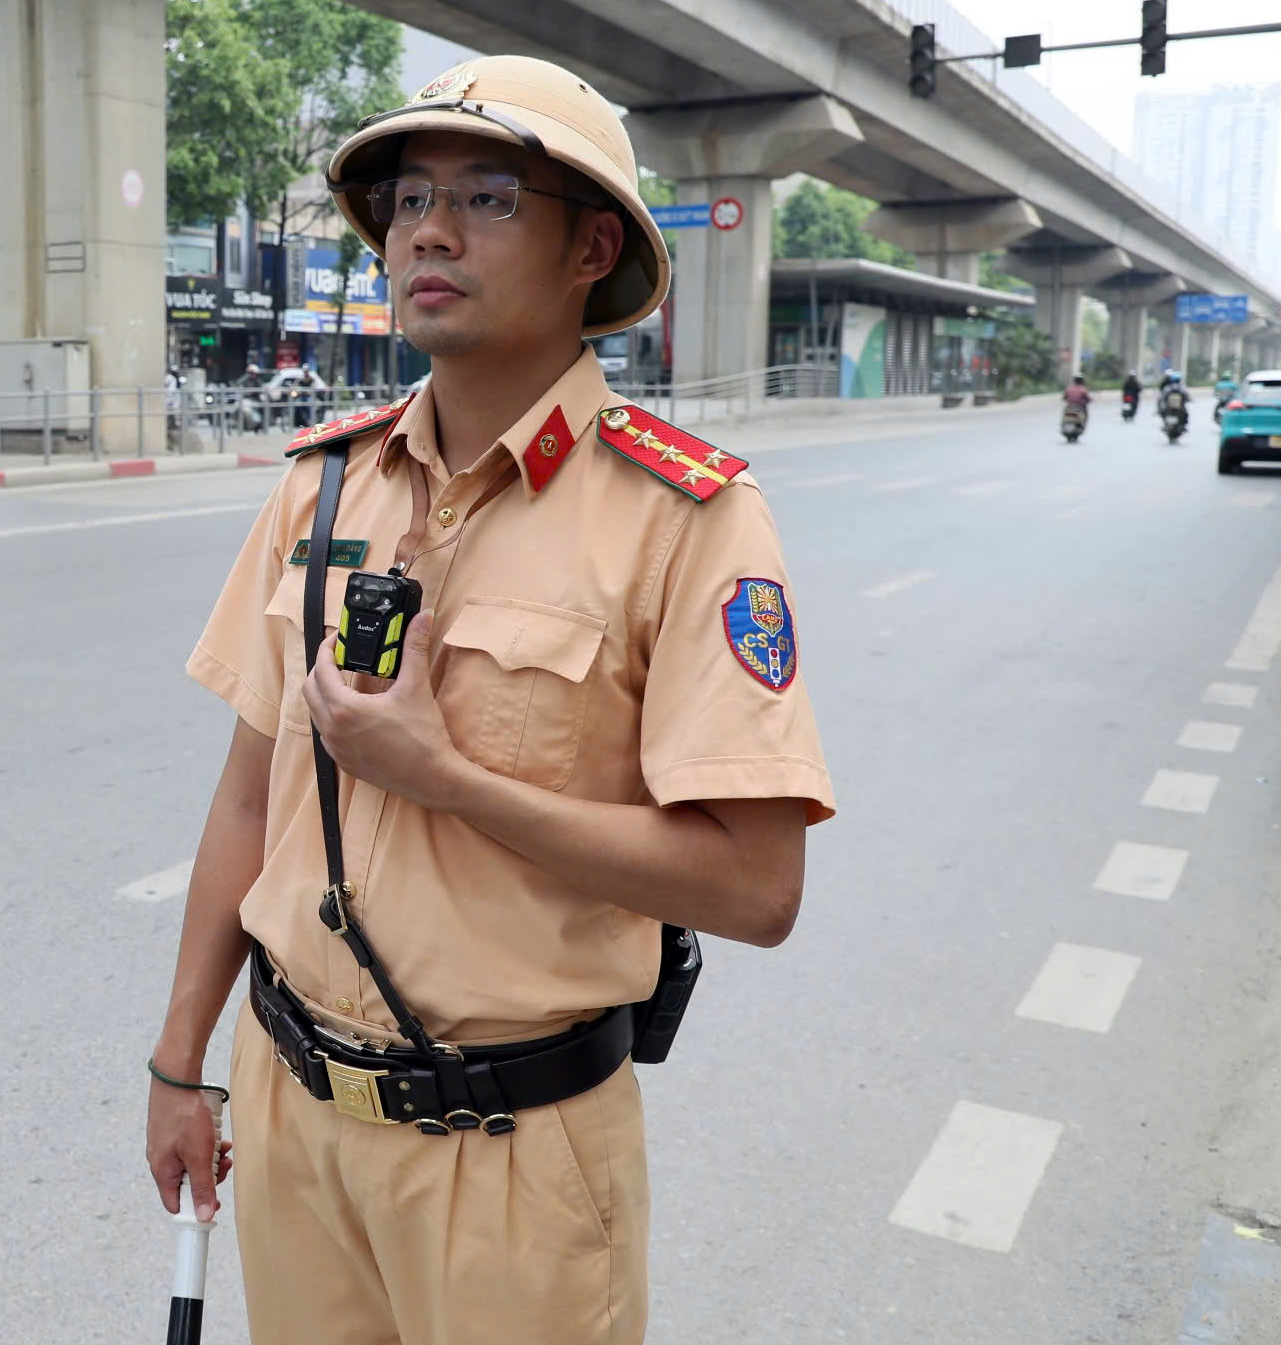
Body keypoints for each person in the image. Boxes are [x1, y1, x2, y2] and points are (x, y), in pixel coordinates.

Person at [146, 54, 834, 1345]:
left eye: (489, 198)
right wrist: (181, 1061)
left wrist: (446, 776)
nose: (430, 230)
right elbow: (249, 798)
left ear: (590, 248)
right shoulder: (324, 488)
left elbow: (756, 888)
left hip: (513, 1156)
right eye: (409, 198)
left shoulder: (685, 519)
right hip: (290, 1113)